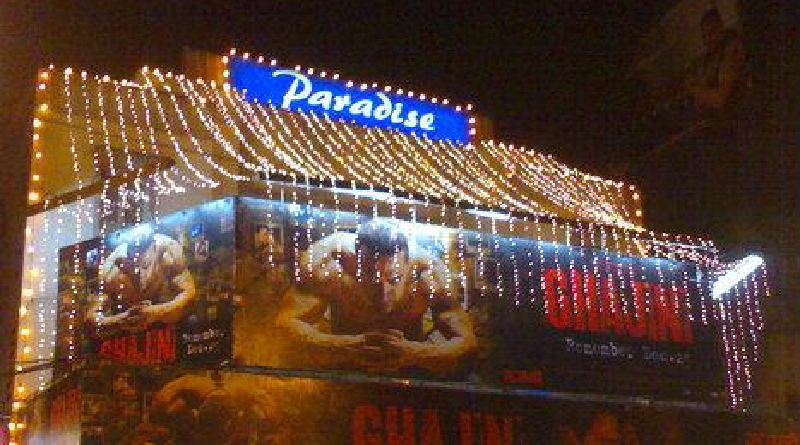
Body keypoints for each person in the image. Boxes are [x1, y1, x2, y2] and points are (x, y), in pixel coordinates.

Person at [276, 220, 477, 376]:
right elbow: (284, 329)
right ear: (356, 260)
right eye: (371, 278)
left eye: (394, 279)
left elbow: (467, 343)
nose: (383, 292)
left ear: (407, 262)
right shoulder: (326, 261)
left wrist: (415, 353)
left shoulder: (429, 272)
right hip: (343, 367)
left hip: (409, 370)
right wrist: (346, 346)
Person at [88, 226, 196, 334]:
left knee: (192, 321)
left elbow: (189, 295)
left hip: (163, 320)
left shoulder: (167, 249)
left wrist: (157, 312)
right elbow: (91, 318)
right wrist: (119, 320)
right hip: (127, 329)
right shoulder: (110, 269)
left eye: (145, 263)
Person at [685, 8, 745, 116]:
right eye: (704, 36)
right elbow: (700, 104)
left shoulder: (731, 48)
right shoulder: (712, 57)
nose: (707, 40)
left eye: (711, 32)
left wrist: (693, 89)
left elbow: (720, 99)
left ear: (721, 28)